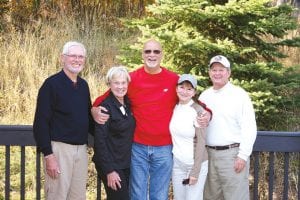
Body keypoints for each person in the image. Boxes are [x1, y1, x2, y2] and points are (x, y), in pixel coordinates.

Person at [92, 39, 211, 200]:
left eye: (156, 51)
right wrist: (94, 109)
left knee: (159, 195)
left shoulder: (172, 79)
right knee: (137, 195)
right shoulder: (131, 79)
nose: (152, 55)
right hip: (138, 148)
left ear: (162, 54)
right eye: (148, 51)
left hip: (164, 149)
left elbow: (192, 98)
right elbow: (107, 96)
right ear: (142, 54)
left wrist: (208, 112)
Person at [33, 41, 94, 200]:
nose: (77, 60)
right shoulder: (51, 84)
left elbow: (88, 118)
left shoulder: (83, 86)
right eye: (73, 56)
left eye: (81, 56)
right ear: (63, 58)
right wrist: (48, 155)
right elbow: (41, 122)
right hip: (59, 151)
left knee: (78, 197)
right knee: (57, 196)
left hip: (81, 150)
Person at [199, 55, 257, 200]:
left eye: (221, 70)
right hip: (208, 156)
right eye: (214, 70)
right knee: (209, 197)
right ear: (209, 72)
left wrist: (243, 156)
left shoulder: (239, 95)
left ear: (228, 72)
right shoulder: (204, 96)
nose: (217, 73)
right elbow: (197, 125)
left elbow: (249, 128)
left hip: (232, 156)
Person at [92, 66, 135, 200]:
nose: (120, 86)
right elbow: (99, 141)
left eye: (123, 83)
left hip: (126, 163)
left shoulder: (128, 104)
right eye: (116, 83)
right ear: (109, 84)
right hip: (111, 165)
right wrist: (109, 171)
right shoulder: (105, 108)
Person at [170, 74, 208, 200]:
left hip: (195, 165)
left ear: (194, 92)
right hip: (178, 165)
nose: (184, 92)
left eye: (189, 89)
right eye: (182, 87)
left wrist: (195, 172)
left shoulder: (198, 111)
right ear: (176, 88)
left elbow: (201, 142)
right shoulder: (174, 107)